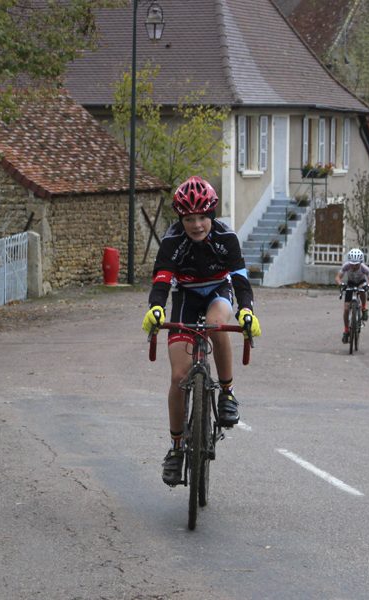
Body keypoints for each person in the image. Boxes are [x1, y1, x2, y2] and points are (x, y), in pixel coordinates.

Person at [141, 176, 261, 486]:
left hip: (218, 291)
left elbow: (240, 279)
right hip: (186, 297)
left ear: (213, 215)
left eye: (203, 217)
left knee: (216, 323)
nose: (197, 225)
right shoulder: (172, 241)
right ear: (181, 219)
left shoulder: (226, 237)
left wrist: (246, 309)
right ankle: (177, 448)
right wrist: (156, 307)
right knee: (179, 377)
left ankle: (227, 393)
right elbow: (162, 280)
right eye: (190, 219)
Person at [334, 248, 369, 343]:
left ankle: (364, 308)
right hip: (350, 283)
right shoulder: (346, 266)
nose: (354, 266)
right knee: (346, 309)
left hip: (361, 282)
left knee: (362, 289)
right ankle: (346, 330)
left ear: (360, 262)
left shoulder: (364, 268)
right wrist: (340, 284)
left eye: (356, 264)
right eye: (352, 264)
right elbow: (337, 277)